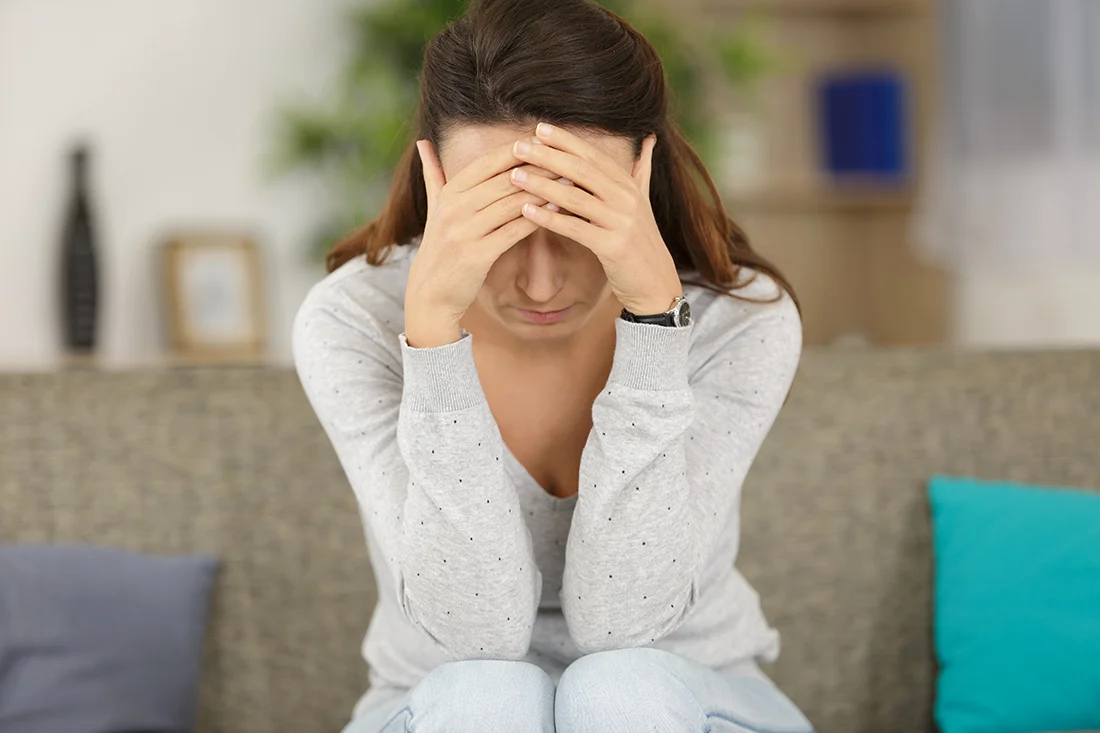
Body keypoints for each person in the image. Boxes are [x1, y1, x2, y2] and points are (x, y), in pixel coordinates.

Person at [292, 0, 811, 730]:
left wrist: (655, 323)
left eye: (578, 214)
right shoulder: (353, 320)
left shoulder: (741, 320)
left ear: (641, 168)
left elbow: (619, 626)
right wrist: (433, 338)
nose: (540, 283)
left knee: (621, 687)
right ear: (434, 176)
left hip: (691, 695)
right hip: (441, 701)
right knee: (488, 694)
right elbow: (480, 636)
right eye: (499, 220)